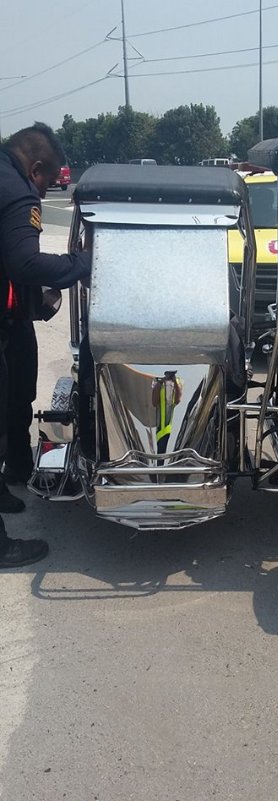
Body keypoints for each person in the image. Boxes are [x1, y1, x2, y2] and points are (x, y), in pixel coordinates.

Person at [0, 122, 91, 568]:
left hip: (10, 317)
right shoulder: (16, 191)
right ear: (35, 168)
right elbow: (25, 260)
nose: (46, 186)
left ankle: (10, 475)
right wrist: (81, 264)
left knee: (14, 393)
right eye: (47, 178)